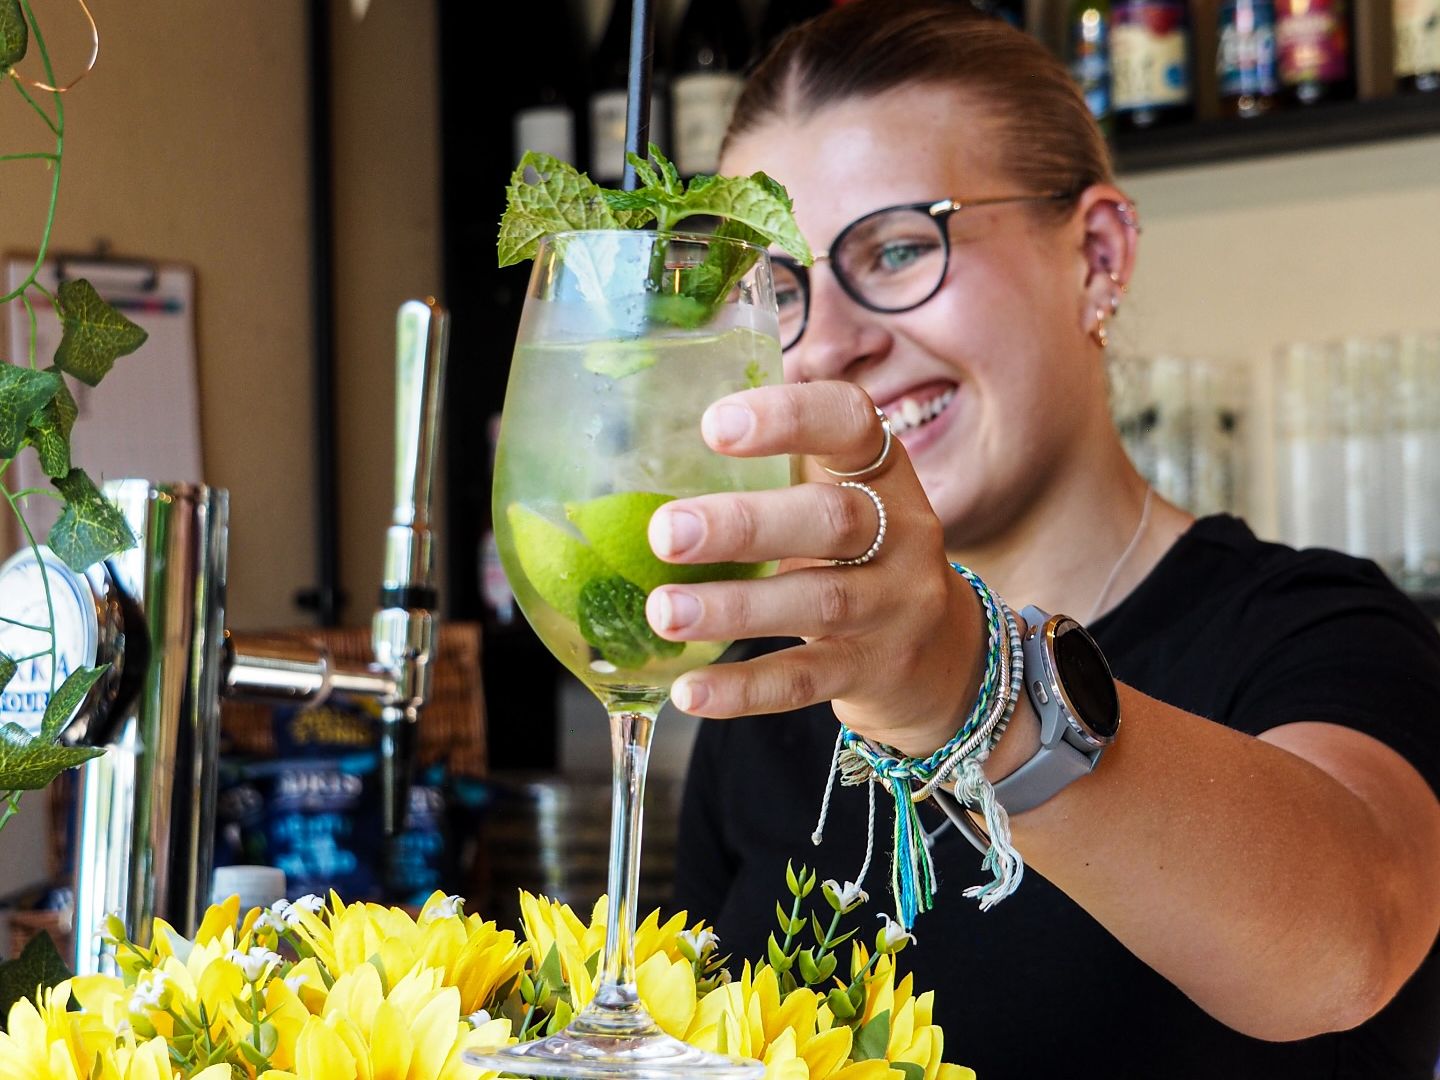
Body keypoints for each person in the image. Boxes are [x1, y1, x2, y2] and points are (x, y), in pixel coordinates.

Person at [644, 2, 1440, 1077]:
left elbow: (1351, 947)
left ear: (1098, 257)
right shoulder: (778, 688)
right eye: (782, 290)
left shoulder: (1316, 634)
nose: (829, 341)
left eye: (895, 247)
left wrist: (974, 690)